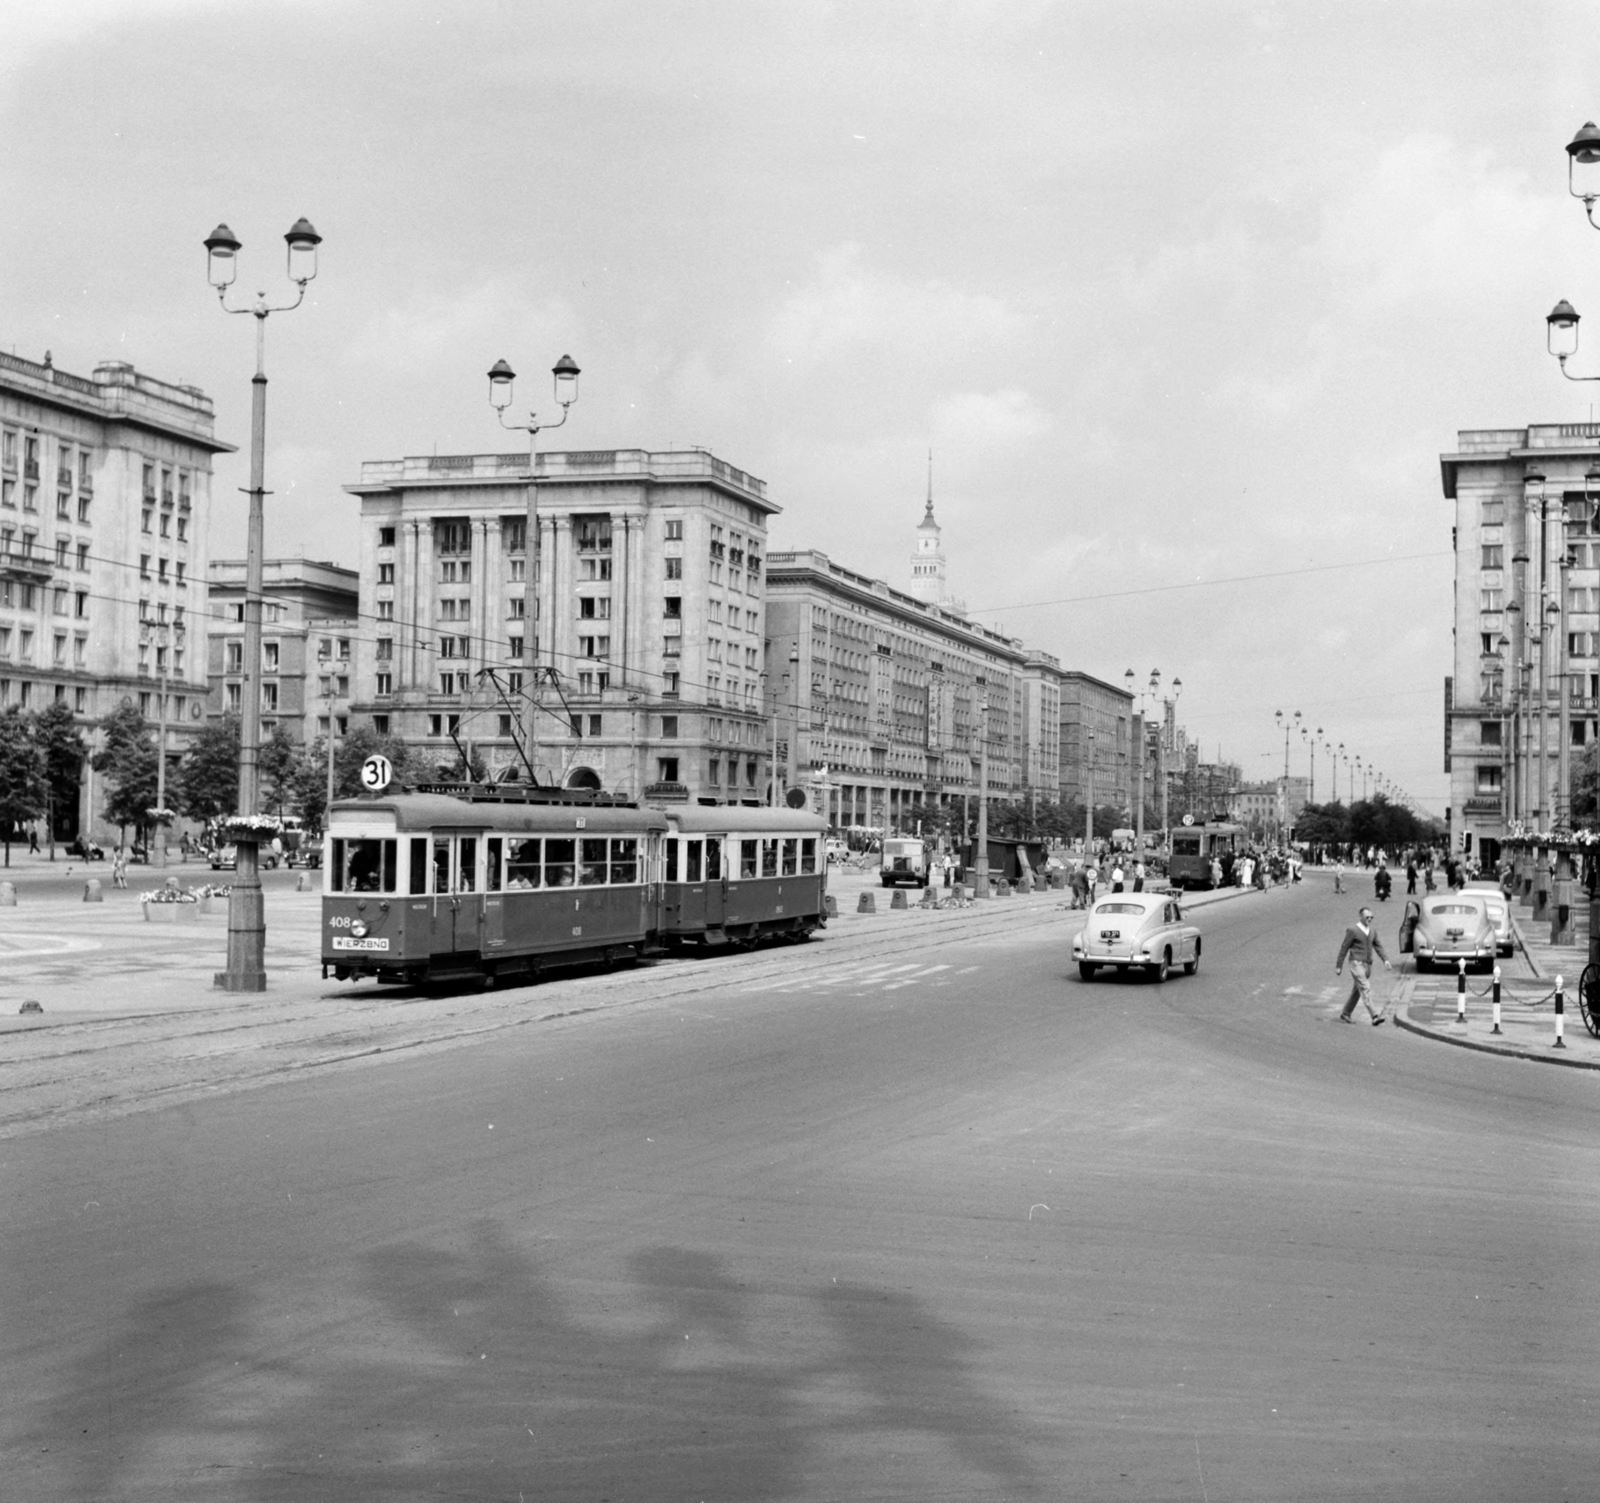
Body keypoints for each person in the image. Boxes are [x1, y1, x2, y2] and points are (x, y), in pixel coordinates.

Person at [1336, 904, 1393, 1024]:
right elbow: (1344, 947)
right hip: (1356, 963)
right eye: (1367, 917)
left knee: (1357, 989)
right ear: (1361, 917)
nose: (1370, 919)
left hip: (1367, 966)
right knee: (1365, 987)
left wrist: (1385, 960)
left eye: (1371, 917)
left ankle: (1346, 1013)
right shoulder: (1353, 930)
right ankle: (1375, 1016)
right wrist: (1339, 965)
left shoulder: (1372, 931)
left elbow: (1378, 946)